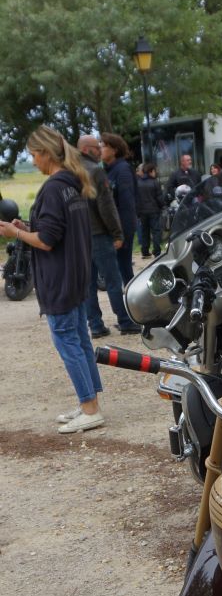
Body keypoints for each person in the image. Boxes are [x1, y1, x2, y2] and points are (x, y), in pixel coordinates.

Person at [0, 126, 105, 433]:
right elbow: (55, 230)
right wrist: (28, 225)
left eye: (33, 154)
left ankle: (90, 408)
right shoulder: (72, 184)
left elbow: (46, 241)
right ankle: (90, 403)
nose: (32, 161)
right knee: (81, 341)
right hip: (76, 276)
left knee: (68, 342)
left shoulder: (52, 188)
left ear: (46, 153)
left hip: (59, 280)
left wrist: (14, 231)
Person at [76, 135, 138, 337]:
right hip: (99, 234)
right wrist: (117, 233)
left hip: (80, 235)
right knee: (113, 280)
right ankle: (125, 321)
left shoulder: (72, 171)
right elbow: (106, 206)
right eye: (96, 146)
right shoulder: (96, 171)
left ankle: (95, 325)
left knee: (89, 283)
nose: (99, 150)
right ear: (87, 150)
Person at [99, 132, 138, 285]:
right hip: (113, 230)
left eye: (104, 146)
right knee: (120, 270)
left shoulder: (123, 170)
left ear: (114, 150)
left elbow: (127, 205)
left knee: (125, 270)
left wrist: (120, 235)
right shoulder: (107, 170)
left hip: (122, 230)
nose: (100, 149)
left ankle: (132, 303)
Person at [136, 163, 165, 258]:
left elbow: (136, 198)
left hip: (142, 212)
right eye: (155, 171)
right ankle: (156, 251)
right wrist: (163, 206)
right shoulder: (155, 182)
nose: (156, 172)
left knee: (145, 231)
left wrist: (138, 211)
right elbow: (159, 197)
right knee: (156, 231)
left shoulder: (138, 182)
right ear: (151, 171)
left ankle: (145, 251)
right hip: (153, 210)